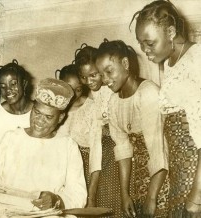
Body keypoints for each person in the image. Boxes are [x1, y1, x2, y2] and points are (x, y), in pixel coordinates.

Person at [0, 78, 87, 218]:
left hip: (46, 213)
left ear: (61, 118)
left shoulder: (68, 146)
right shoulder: (11, 138)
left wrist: (57, 199)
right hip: (6, 210)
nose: (39, 121)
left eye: (48, 117)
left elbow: (78, 194)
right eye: (37, 112)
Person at [133, 0, 201, 216]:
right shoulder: (171, 63)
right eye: (141, 44)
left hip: (196, 173)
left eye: (150, 43)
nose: (144, 50)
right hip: (180, 172)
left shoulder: (196, 60)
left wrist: (197, 195)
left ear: (171, 32)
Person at [96, 39, 169, 217]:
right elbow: (122, 149)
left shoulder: (147, 93)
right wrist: (124, 194)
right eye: (101, 74)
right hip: (138, 177)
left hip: (162, 175)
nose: (105, 80)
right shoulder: (113, 103)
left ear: (126, 64)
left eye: (109, 71)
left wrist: (152, 197)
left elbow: (158, 150)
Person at [74, 44, 123, 217]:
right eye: (83, 77)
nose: (88, 81)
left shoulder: (112, 90)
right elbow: (95, 140)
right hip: (105, 156)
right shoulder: (93, 98)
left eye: (93, 75)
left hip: (119, 155)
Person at [56, 64, 102, 207]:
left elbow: (96, 152)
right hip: (57, 170)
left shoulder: (92, 108)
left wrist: (91, 196)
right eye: (68, 89)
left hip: (84, 173)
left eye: (78, 90)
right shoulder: (54, 109)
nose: (73, 95)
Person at [0, 59, 33, 153]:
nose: (8, 90)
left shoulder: (38, 112)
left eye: (13, 84)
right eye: (3, 86)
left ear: (24, 84)